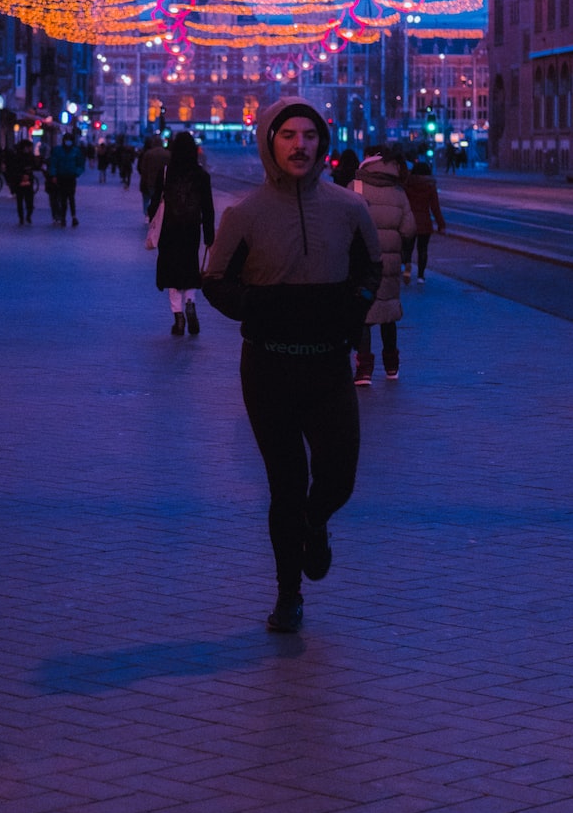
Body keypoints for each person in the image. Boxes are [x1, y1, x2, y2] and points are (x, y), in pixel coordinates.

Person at [202, 98, 382, 635]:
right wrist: (259, 307)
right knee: (285, 484)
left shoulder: (349, 210)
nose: (299, 145)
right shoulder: (245, 214)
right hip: (269, 368)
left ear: (322, 143)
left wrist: (352, 309)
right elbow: (215, 283)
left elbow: (372, 266)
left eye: (309, 135)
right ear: (269, 142)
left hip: (328, 367)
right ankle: (288, 596)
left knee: (339, 477)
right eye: (288, 136)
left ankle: (317, 521)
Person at [350, 148, 416, 384]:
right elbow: (409, 229)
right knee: (388, 312)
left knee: (364, 315)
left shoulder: (355, 188)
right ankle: (392, 367)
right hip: (389, 263)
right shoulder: (399, 192)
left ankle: (364, 370)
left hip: (362, 262)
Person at [147, 130, 215, 337]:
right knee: (190, 268)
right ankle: (191, 303)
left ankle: (178, 319)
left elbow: (154, 202)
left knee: (172, 272)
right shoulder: (202, 175)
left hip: (169, 230)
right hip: (191, 229)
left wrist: (153, 221)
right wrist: (209, 234)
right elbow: (208, 207)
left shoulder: (166, 172)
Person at [402, 159, 445, 285]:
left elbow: (403, 204)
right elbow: (435, 208)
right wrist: (441, 225)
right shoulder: (430, 186)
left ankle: (407, 267)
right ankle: (421, 276)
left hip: (409, 220)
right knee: (423, 249)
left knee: (407, 248)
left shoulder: (408, 185)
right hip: (425, 222)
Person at [48, 133, 86, 227]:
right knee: (63, 198)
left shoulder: (76, 151)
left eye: (69, 140)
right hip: (61, 177)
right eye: (66, 139)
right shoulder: (58, 150)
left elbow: (80, 164)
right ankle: (63, 218)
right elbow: (53, 163)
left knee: (71, 197)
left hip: (71, 177)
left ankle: (73, 216)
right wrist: (53, 175)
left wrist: (76, 172)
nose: (68, 142)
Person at [7, 138, 37, 226]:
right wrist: (21, 175)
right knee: (20, 201)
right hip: (19, 181)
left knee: (29, 201)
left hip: (28, 180)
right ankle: (21, 218)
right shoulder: (17, 156)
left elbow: (34, 166)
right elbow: (13, 168)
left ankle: (28, 215)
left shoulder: (31, 156)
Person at [137, 135, 169, 216]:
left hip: (150, 181)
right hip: (163, 181)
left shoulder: (148, 154)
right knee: (159, 200)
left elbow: (143, 168)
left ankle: (148, 215)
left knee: (147, 199)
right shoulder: (167, 154)